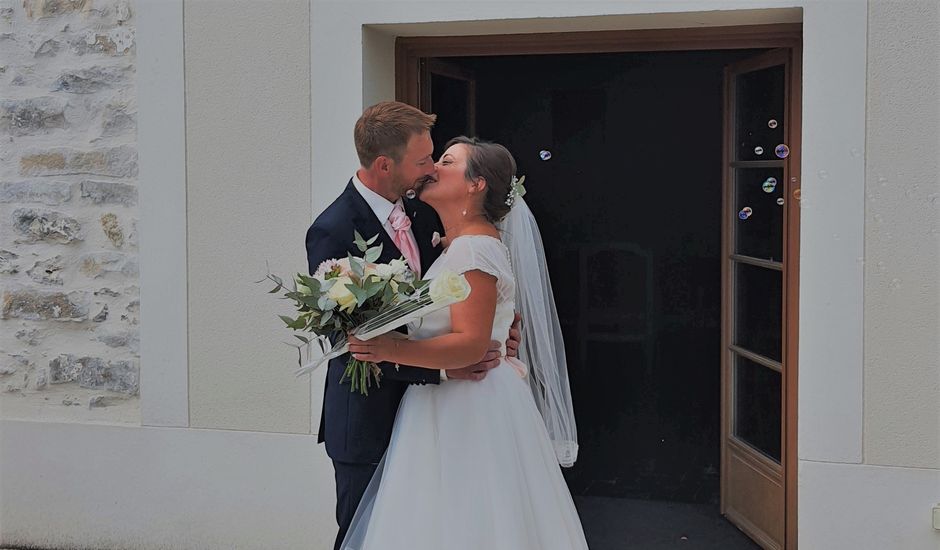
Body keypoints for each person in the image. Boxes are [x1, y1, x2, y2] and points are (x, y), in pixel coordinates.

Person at [344, 136, 587, 549]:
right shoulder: (455, 243)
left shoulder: (475, 247)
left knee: (471, 517)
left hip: (472, 405)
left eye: (447, 161)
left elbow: (473, 344)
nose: (434, 169)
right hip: (445, 399)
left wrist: (388, 349)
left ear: (476, 185)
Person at [304, 102, 521, 550]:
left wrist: (499, 332)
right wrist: (443, 366)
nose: (431, 169)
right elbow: (346, 341)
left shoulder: (427, 214)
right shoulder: (333, 229)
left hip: (440, 417)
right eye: (424, 161)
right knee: (366, 536)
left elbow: (466, 293)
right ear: (386, 164)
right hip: (369, 418)